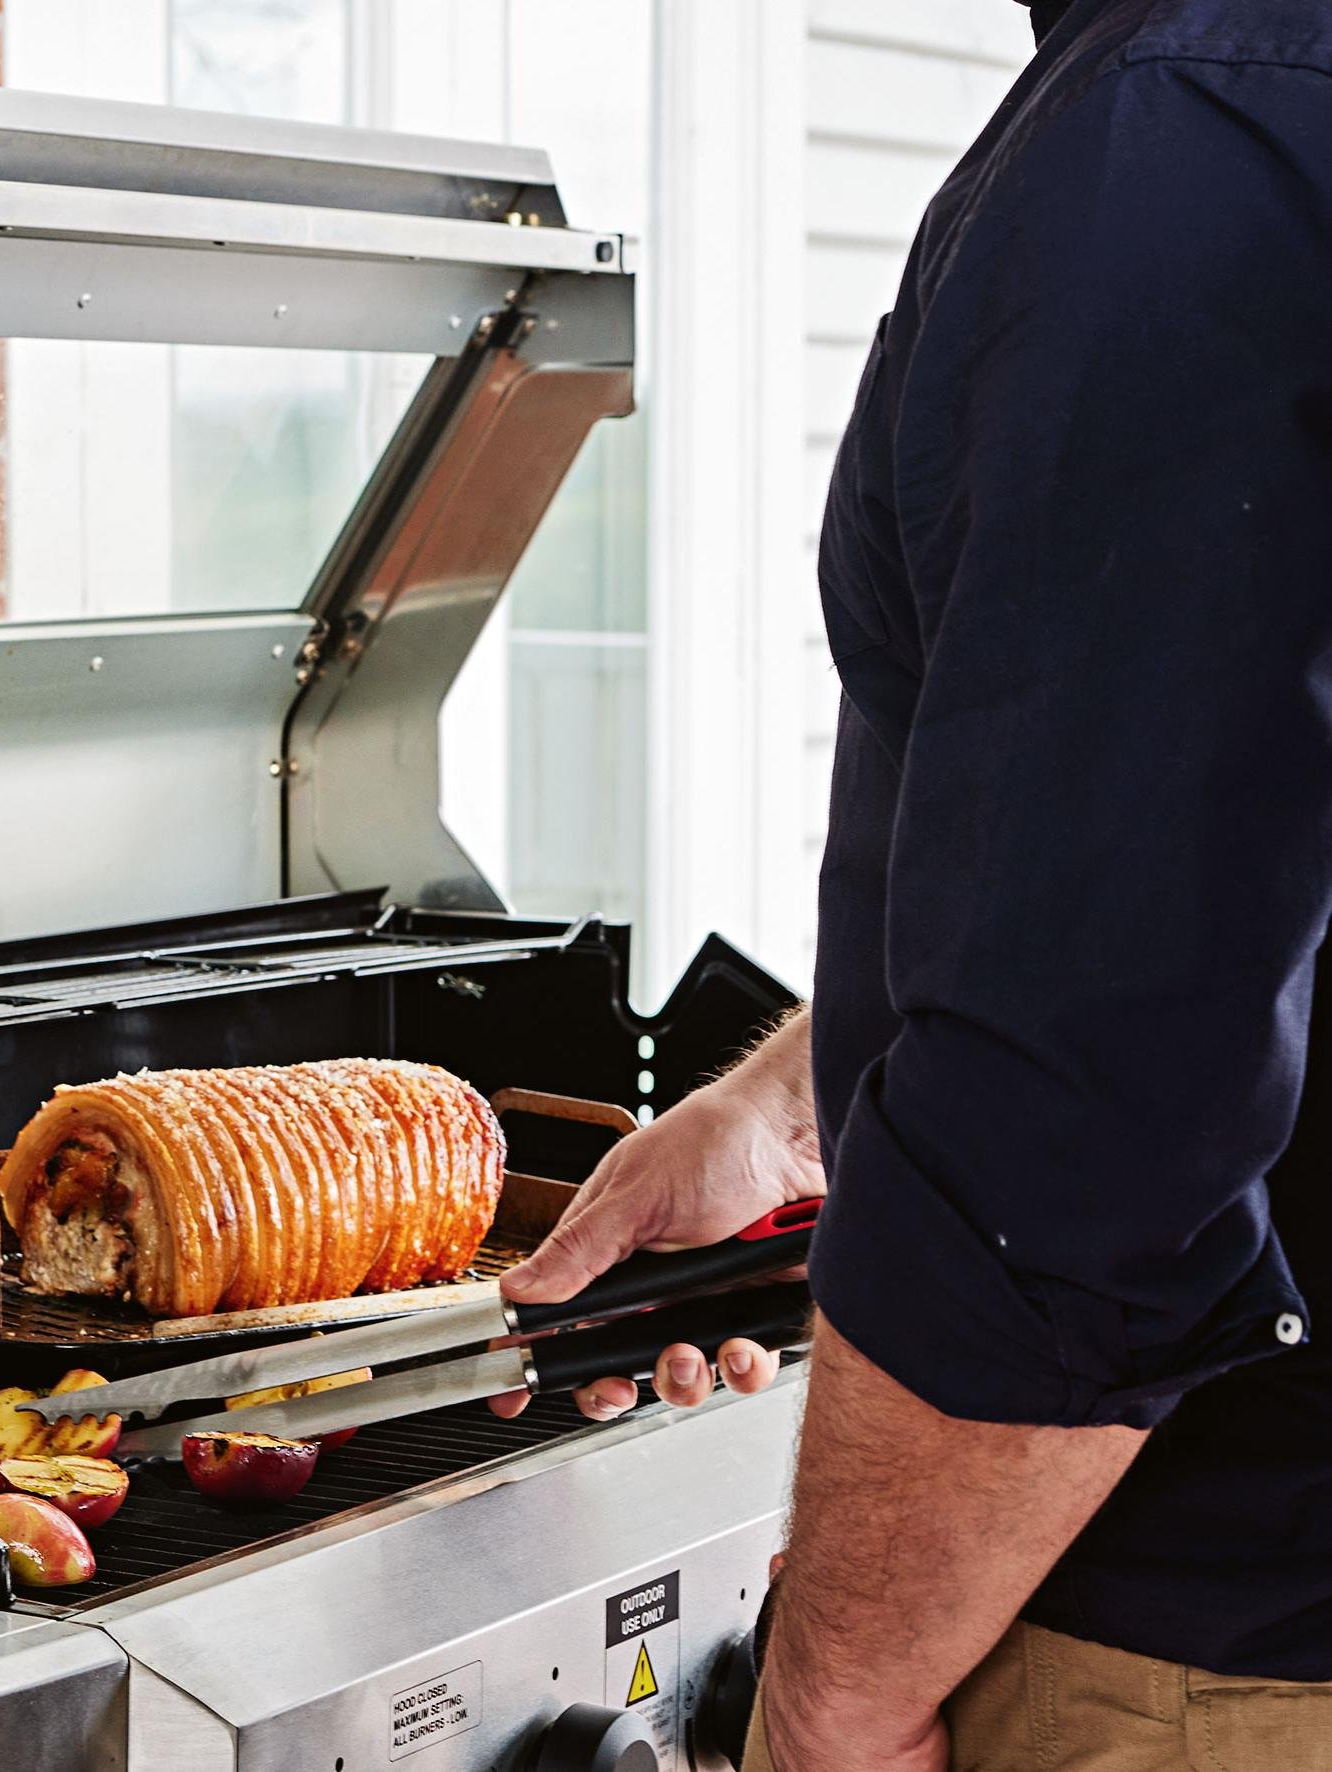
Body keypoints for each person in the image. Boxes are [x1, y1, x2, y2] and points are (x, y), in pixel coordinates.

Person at [496, 1, 1332, 1765]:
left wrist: (839, 1686)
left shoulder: (1179, 130)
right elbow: (1225, 832)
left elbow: (1102, 1067)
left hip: (1209, 1655)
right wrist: (792, 1106)